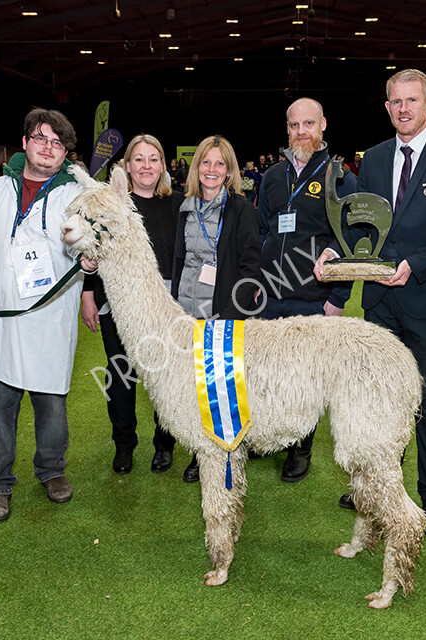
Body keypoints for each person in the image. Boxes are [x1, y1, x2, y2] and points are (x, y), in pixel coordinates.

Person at [315, 69, 426, 538]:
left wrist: (417, 263)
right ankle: (373, 487)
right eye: (396, 101)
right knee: (376, 401)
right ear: (387, 107)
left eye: (413, 100)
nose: (404, 108)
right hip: (380, 305)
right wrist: (338, 251)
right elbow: (364, 227)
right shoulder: (373, 159)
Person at [0, 108, 96, 523]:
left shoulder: (74, 195)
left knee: (51, 405)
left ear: (65, 153)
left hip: (46, 320)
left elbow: (84, 243)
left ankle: (51, 470)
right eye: (40, 138)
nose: (47, 148)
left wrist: (88, 262)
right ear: (25, 143)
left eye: (57, 143)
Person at [257, 97, 357, 483]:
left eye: (308, 124)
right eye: (294, 125)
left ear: (323, 125)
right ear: (287, 129)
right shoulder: (271, 176)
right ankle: (273, 437)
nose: (301, 132)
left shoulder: (341, 177)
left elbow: (353, 239)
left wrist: (338, 297)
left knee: (307, 380)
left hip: (313, 295)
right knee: (270, 373)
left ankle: (300, 448)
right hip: (269, 293)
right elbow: (265, 231)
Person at [80, 134, 180, 475]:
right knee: (120, 373)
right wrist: (87, 292)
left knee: (166, 373)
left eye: (153, 159)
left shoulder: (177, 203)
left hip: (165, 303)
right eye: (139, 159)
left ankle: (164, 444)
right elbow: (93, 248)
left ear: (162, 166)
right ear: (127, 166)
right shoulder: (111, 205)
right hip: (118, 303)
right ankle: (124, 445)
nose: (146, 166)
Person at [173, 134, 262, 483]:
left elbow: (251, 265)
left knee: (221, 387)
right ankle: (200, 451)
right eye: (206, 162)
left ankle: (226, 449)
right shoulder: (184, 207)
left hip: (223, 312)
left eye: (219, 164)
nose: (212, 169)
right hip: (185, 311)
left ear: (229, 171)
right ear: (197, 167)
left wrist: (232, 312)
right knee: (192, 388)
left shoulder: (240, 209)